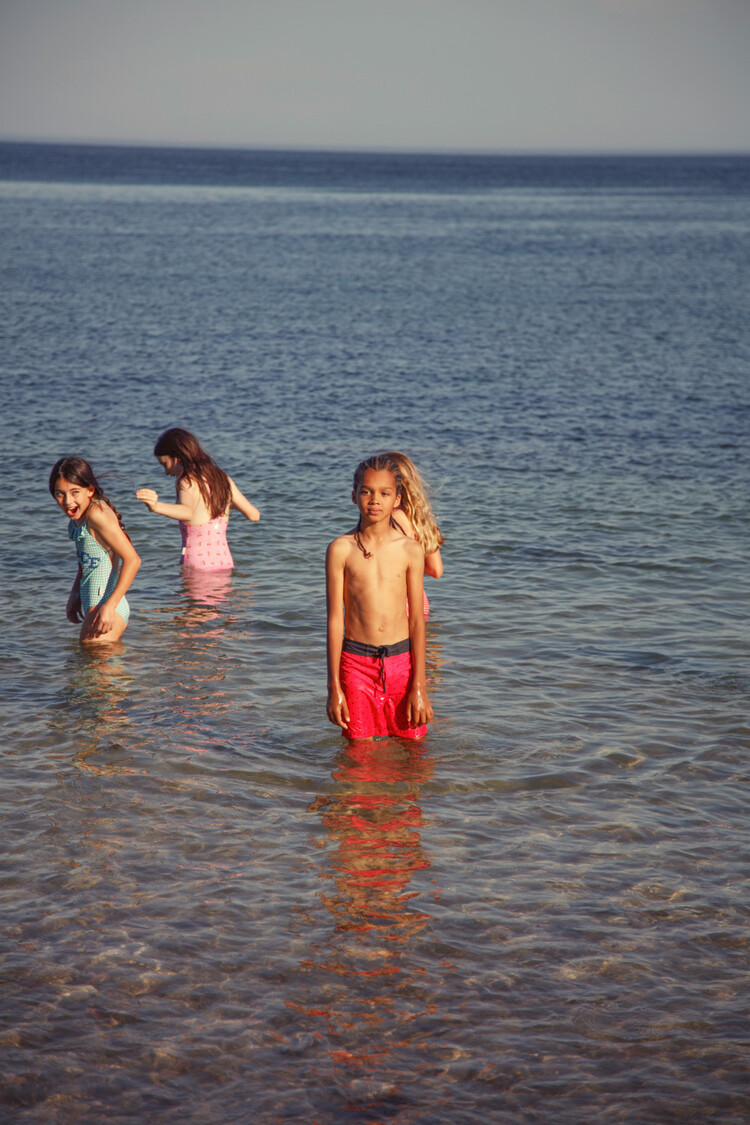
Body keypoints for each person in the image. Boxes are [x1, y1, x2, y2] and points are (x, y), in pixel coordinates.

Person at [326, 454, 433, 741]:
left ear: (397, 499)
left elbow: (416, 622)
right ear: (354, 496)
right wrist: (333, 687)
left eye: (384, 493)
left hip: (402, 664)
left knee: (414, 751)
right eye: (366, 492)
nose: (375, 500)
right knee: (358, 753)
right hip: (356, 665)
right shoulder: (340, 549)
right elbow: (335, 621)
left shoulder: (410, 550)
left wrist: (419, 686)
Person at [136, 428, 259, 570]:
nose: (166, 471)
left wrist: (156, 506)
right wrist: (221, 502)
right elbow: (254, 515)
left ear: (176, 459)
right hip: (224, 562)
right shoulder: (222, 478)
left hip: (197, 564)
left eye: (165, 464)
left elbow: (187, 513)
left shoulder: (186, 480)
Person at [50, 456, 141, 645]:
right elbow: (85, 564)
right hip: (97, 603)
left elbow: (133, 560)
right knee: (100, 661)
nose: (67, 501)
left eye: (75, 492)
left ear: (90, 490)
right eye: (60, 494)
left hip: (105, 605)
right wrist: (75, 595)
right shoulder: (80, 516)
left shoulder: (96, 514)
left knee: (91, 660)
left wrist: (109, 606)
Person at [382, 450, 444, 616]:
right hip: (419, 602)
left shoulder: (388, 519)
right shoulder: (421, 520)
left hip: (393, 600)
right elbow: (436, 570)